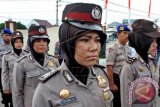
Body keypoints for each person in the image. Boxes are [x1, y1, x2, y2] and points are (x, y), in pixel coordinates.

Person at [32, 3, 113, 107]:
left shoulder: (101, 75)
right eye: (85, 40)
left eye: (97, 40)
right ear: (68, 43)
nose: (94, 47)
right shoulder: (47, 88)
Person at [12, 25, 60, 107]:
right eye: (38, 41)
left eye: (45, 40)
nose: (42, 44)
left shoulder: (54, 61)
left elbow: (59, 86)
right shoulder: (21, 64)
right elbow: (17, 92)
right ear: (30, 42)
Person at [120, 19, 160, 107]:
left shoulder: (151, 62)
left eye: (156, 41)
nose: (156, 45)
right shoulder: (129, 67)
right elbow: (126, 102)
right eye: (152, 41)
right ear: (142, 40)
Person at [1, 31, 29, 107]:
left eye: (20, 42)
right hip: (13, 85)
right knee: (14, 103)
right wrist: (5, 87)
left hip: (26, 84)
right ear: (13, 43)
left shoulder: (28, 54)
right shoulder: (6, 56)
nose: (19, 44)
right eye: (16, 42)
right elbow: (4, 72)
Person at [105, 24, 130, 107]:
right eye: (125, 33)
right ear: (118, 34)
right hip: (116, 78)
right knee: (117, 101)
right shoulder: (112, 48)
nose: (127, 36)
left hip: (126, 78)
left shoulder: (127, 48)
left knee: (125, 99)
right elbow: (109, 67)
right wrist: (112, 84)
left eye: (128, 33)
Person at [0, 29, 12, 107]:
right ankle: (6, 103)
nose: (8, 37)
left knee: (12, 87)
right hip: (1, 70)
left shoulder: (13, 46)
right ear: (2, 36)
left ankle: (11, 102)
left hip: (11, 70)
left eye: (9, 36)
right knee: (3, 87)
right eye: (6, 35)